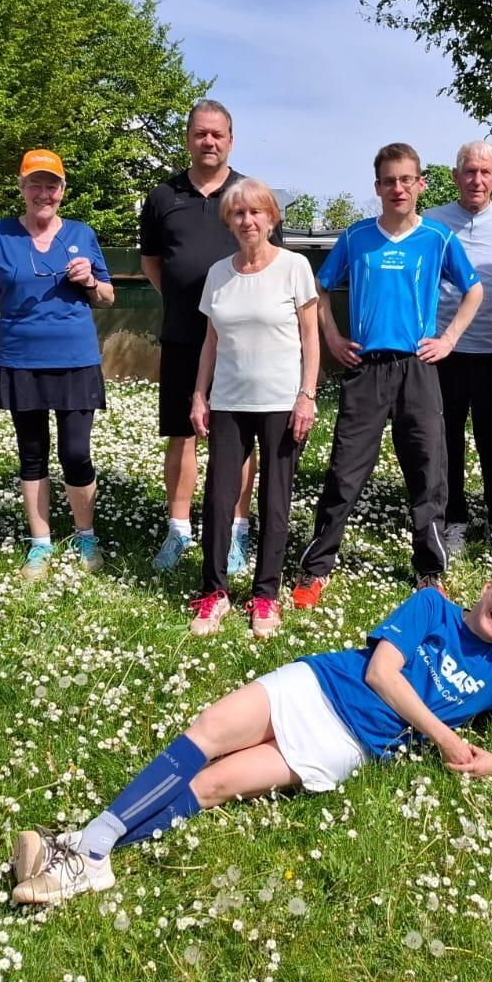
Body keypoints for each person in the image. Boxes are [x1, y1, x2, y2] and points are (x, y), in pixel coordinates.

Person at [8, 569, 492, 906]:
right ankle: (93, 845)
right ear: (488, 586)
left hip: (347, 747)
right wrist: (445, 739)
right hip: (315, 686)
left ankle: (77, 859)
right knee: (209, 731)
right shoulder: (432, 605)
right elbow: (381, 674)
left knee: (214, 784)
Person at [292, 144, 483, 606]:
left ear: (420, 184)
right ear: (377, 187)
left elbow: (474, 289)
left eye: (406, 180)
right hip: (366, 369)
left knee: (427, 469)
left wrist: (450, 338)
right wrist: (335, 338)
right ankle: (317, 568)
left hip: (418, 368)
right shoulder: (357, 237)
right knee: (344, 470)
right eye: (388, 181)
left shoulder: (437, 238)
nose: (397, 188)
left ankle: (430, 570)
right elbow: (317, 287)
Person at [140, 100, 274, 574]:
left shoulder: (247, 194)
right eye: (200, 134)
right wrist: (188, 301)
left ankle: (237, 531)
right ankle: (178, 530)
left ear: (231, 140)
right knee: (181, 434)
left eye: (218, 134)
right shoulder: (161, 197)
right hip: (182, 335)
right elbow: (152, 262)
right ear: (189, 139)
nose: (209, 142)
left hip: (241, 343)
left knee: (238, 439)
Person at [0, 150, 114, 576]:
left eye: (52, 185)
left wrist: (90, 280)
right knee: (31, 453)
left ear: (63, 192)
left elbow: (108, 296)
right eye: (35, 183)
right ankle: (41, 543)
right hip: (18, 359)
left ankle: (86, 536)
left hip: (75, 359)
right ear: (22, 187)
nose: (43, 192)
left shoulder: (82, 234)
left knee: (75, 452)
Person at [188, 179, 320, 638]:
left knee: (275, 501)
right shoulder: (218, 274)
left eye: (256, 213)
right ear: (230, 222)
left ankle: (266, 596)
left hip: (282, 403)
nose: (247, 221)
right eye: (238, 214)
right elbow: (211, 341)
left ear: (271, 219)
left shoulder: (295, 267)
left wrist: (307, 394)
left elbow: (310, 337)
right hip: (228, 401)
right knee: (219, 498)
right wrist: (199, 394)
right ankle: (215, 592)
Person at [426, 142, 492, 558]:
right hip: (444, 350)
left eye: (486, 172)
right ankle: (453, 520)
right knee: (445, 439)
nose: (477, 180)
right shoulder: (433, 222)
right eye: (469, 172)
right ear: (455, 177)